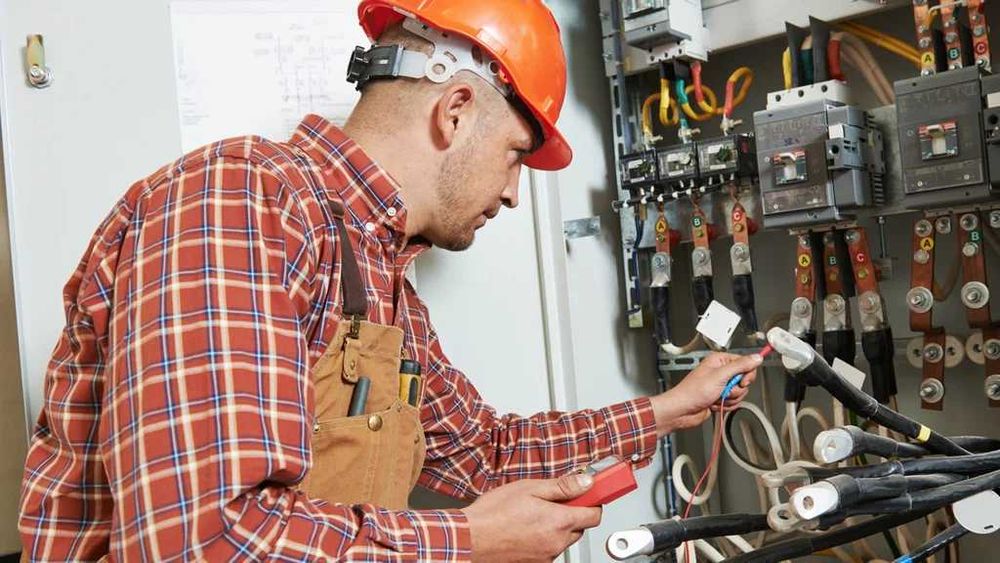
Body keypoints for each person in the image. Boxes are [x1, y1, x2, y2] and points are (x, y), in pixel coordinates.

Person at [18, 1, 761, 560]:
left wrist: (667, 410)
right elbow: (203, 540)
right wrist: (468, 540)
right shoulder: (239, 200)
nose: (512, 194)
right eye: (514, 155)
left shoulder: (381, 274)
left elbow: (481, 451)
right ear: (456, 110)